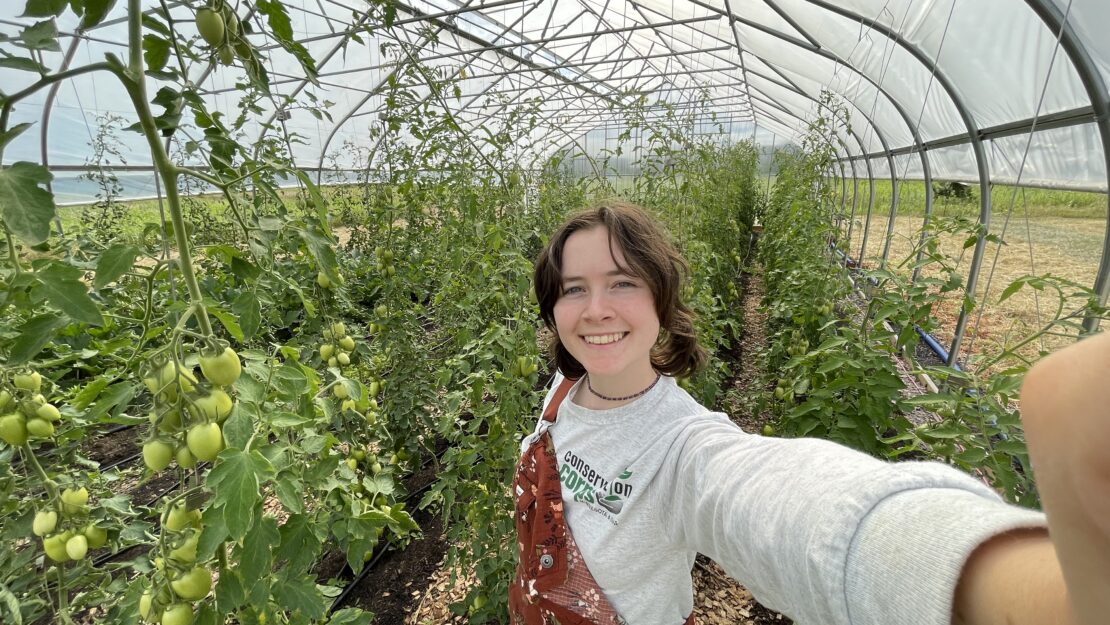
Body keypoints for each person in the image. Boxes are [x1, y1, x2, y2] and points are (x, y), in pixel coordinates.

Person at [507, 199, 1108, 625]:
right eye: (573, 288)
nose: (595, 310)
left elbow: (790, 506)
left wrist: (998, 581)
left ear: (661, 299)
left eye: (622, 283)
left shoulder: (685, 445)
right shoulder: (564, 386)